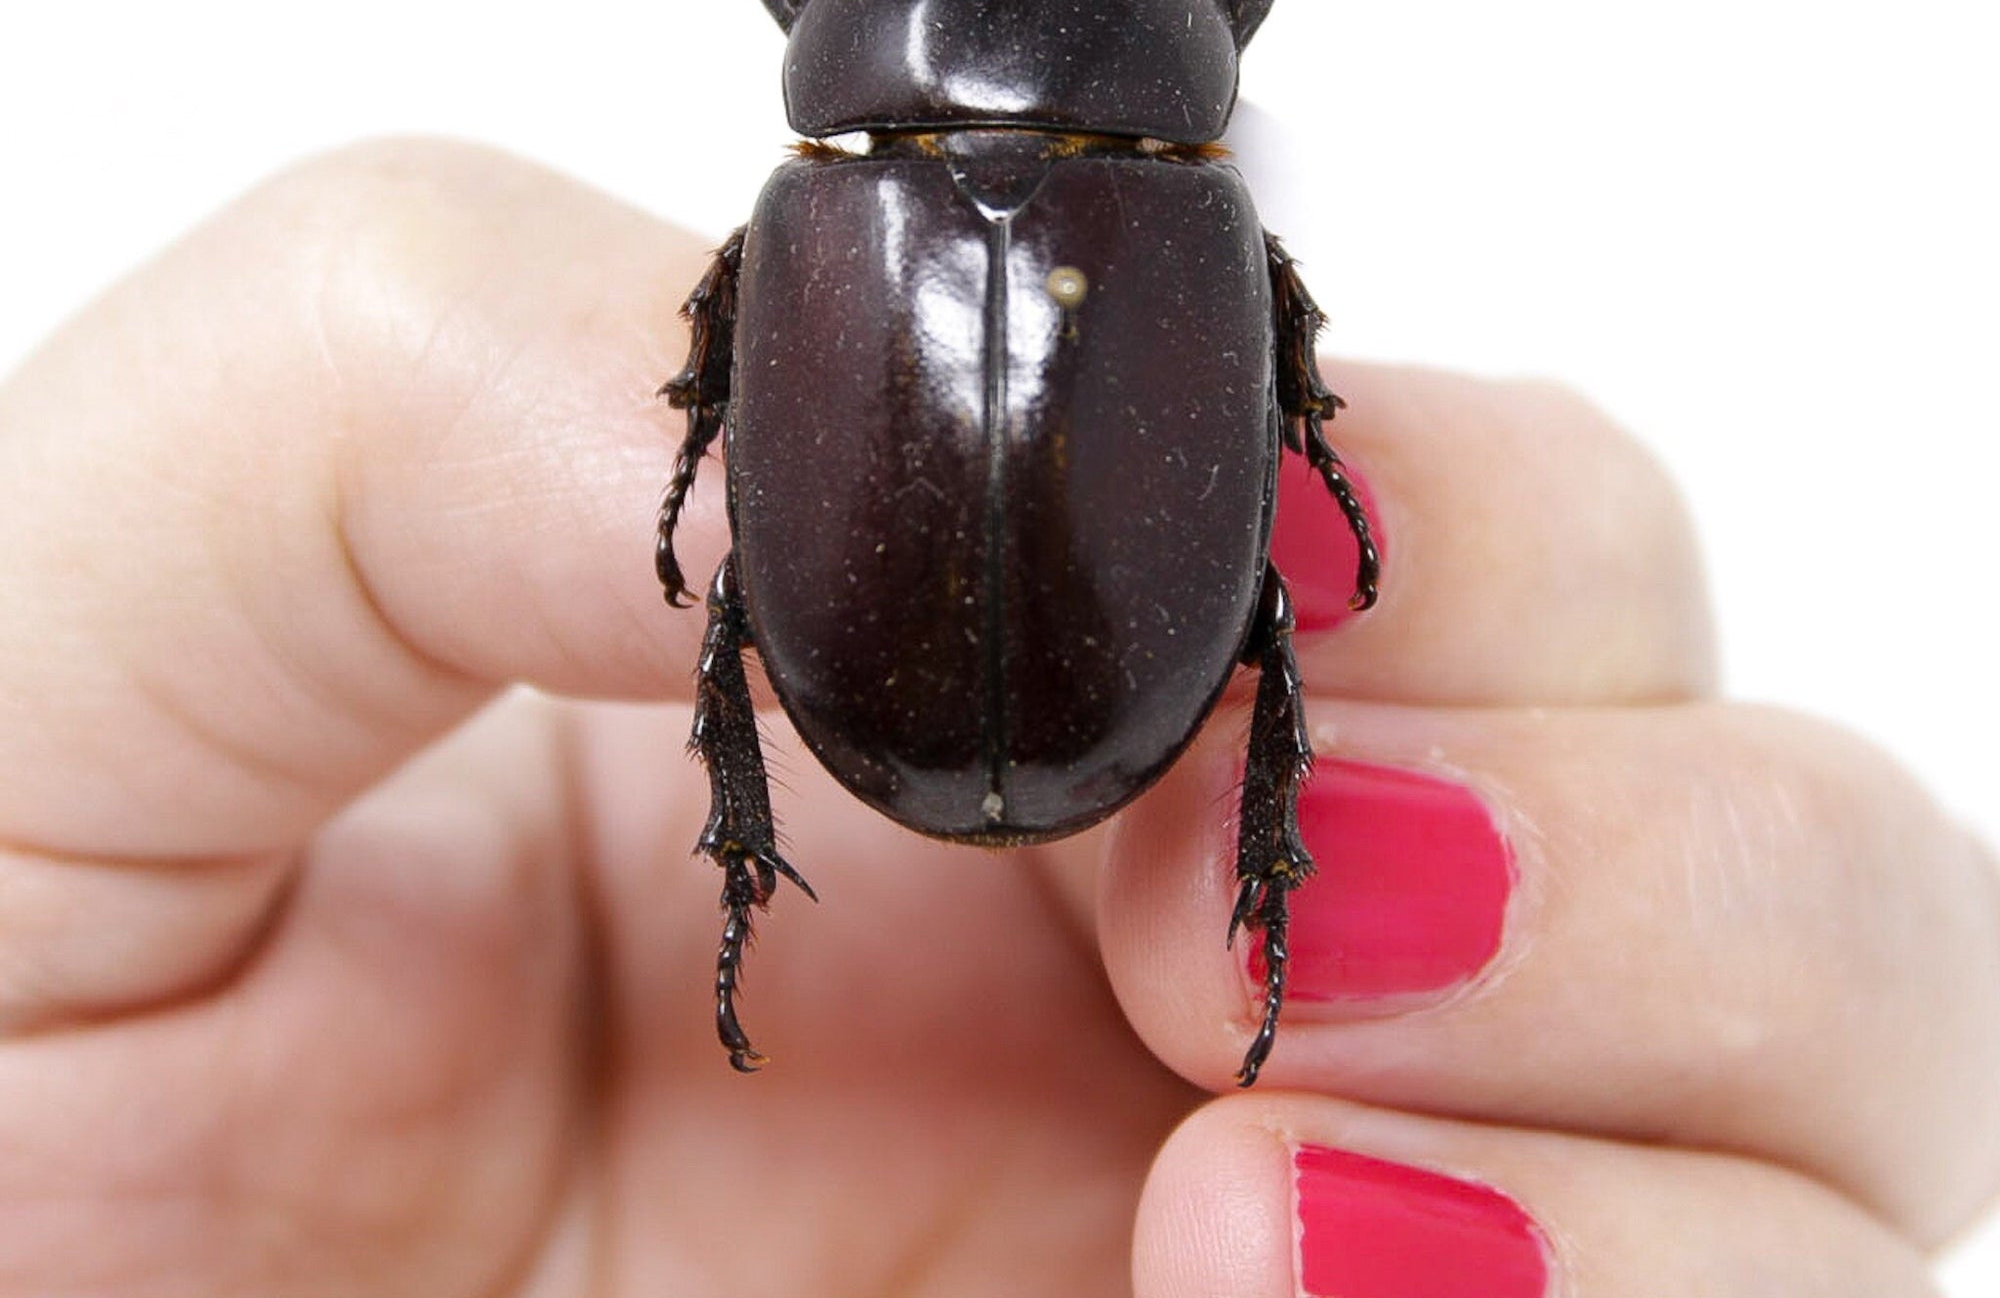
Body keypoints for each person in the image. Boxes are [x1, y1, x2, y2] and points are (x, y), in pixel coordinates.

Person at [0, 137, 1993, 1297]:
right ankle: (1243, 888)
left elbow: (709, 454)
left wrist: (706, 431)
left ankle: (747, 884)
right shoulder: (1197, 234)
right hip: (1079, 693)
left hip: (911, 696)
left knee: (749, 605)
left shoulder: (820, 227)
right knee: (1260, 622)